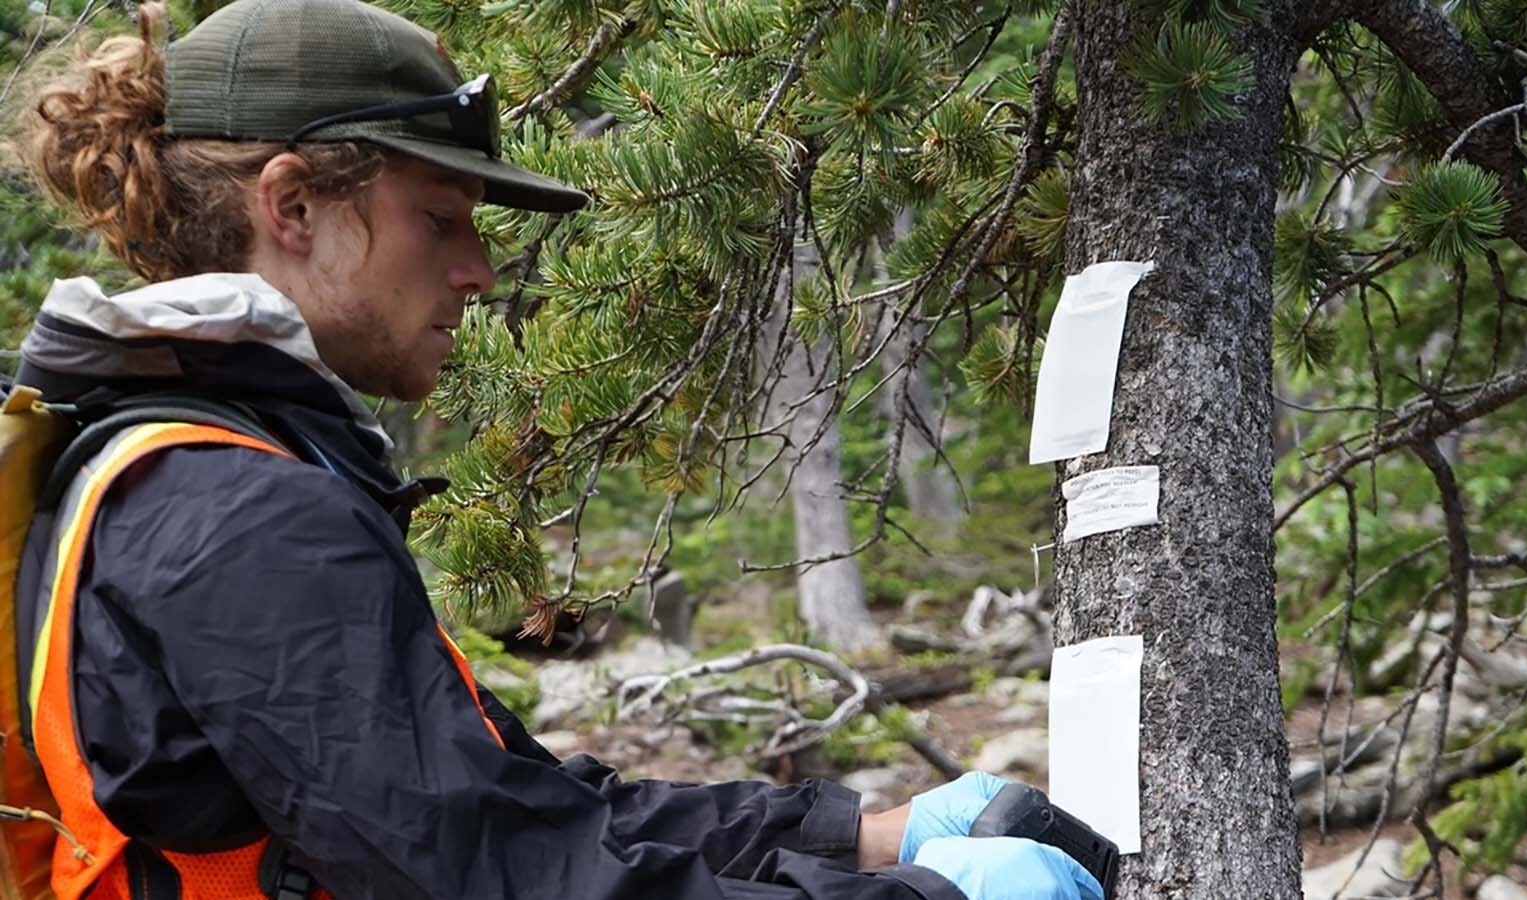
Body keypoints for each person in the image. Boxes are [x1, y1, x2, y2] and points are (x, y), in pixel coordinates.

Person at [4, 2, 1105, 899]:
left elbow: (524, 813)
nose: (479, 269)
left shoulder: (180, 462)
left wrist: (866, 833)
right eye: (442, 219)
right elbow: (503, 876)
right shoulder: (240, 511)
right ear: (293, 204)